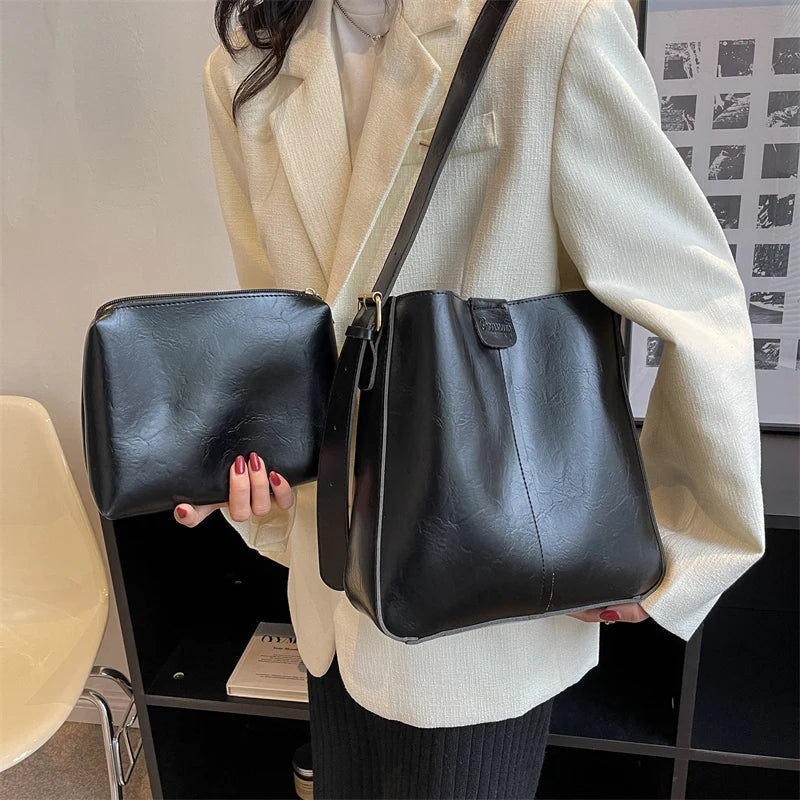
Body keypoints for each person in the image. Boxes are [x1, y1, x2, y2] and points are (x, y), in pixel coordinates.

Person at [176, 0, 766, 796]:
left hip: (488, 599)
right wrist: (261, 475)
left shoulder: (553, 25)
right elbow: (278, 318)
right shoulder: (249, 65)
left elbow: (693, 298)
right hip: (331, 593)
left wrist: (675, 540)